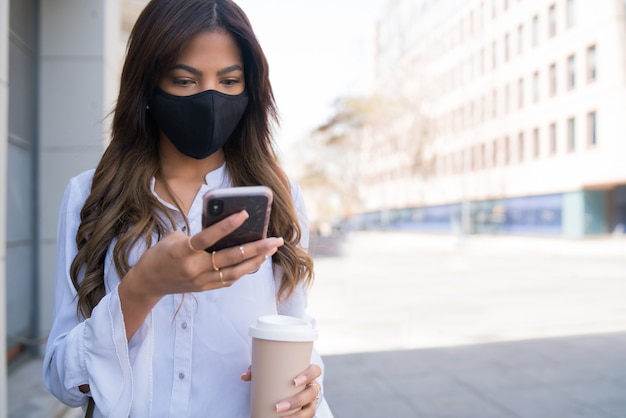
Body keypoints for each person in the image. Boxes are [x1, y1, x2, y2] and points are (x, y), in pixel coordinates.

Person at [42, 0, 333, 417]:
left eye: (230, 81)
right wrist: (142, 288)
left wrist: (307, 391)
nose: (210, 98)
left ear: (250, 90)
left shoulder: (279, 196)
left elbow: (295, 333)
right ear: (147, 85)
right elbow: (62, 380)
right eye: (184, 80)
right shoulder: (91, 195)